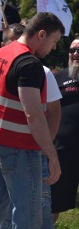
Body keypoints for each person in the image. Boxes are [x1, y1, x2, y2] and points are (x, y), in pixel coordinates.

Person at [0, 12, 64, 229]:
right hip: (18, 147)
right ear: (41, 34)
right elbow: (33, 113)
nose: (54, 48)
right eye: (54, 41)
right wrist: (51, 155)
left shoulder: (4, 52)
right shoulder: (30, 64)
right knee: (28, 216)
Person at [51, 36, 79, 222]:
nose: (75, 54)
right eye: (72, 50)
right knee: (54, 202)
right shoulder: (57, 77)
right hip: (63, 150)